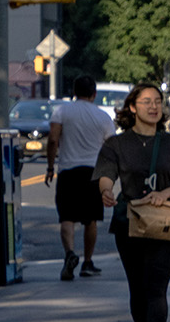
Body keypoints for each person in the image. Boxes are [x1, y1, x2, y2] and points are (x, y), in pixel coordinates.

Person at [93, 82, 170, 322]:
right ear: (132, 107)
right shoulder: (116, 144)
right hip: (129, 223)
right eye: (146, 101)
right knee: (138, 287)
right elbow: (106, 174)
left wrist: (164, 194)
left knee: (157, 285)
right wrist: (106, 190)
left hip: (164, 223)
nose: (154, 107)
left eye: (158, 101)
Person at [46, 76, 118, 280]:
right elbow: (112, 147)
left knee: (66, 217)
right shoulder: (103, 117)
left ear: (74, 92)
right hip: (94, 172)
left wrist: (50, 167)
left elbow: (53, 140)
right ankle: (87, 262)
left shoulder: (61, 112)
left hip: (68, 170)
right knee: (90, 219)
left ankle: (69, 253)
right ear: (94, 94)